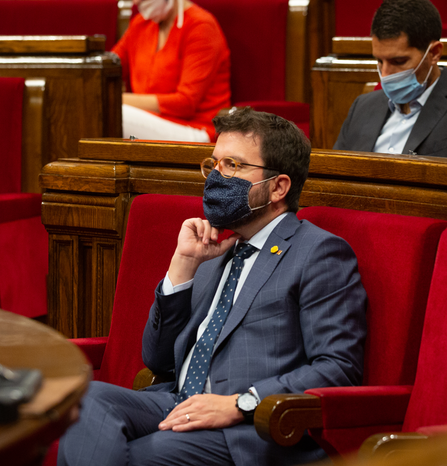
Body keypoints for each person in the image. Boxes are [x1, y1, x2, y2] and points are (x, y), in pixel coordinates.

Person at [57, 108, 367, 466]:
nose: (217, 177)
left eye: (233, 165)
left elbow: (338, 367)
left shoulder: (318, 252)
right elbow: (156, 359)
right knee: (82, 397)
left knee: (140, 456)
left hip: (250, 430)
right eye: (214, 164)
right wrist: (184, 265)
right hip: (177, 400)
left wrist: (240, 403)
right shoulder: (216, 249)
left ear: (279, 186)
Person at [333, 0, 447, 162]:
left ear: (434, 53)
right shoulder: (362, 107)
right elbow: (334, 178)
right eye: (379, 61)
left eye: (399, 61)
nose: (385, 74)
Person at [114, 0, 231, 143]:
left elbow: (185, 103)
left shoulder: (201, 26)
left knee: (116, 113)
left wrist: (117, 99)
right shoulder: (141, 24)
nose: (135, 0)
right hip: (152, 122)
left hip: (196, 129)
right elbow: (108, 66)